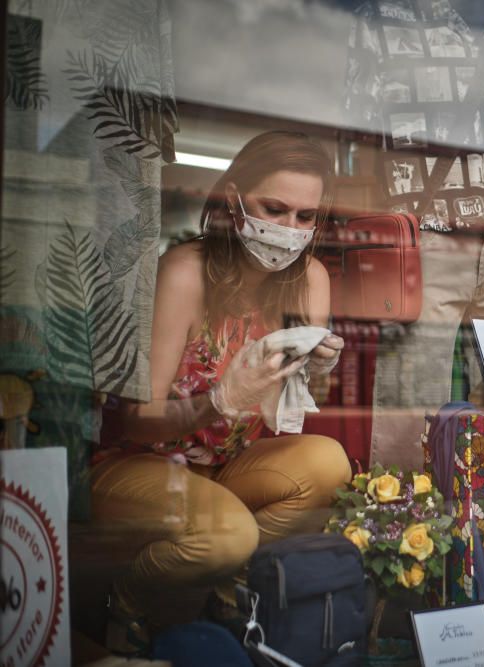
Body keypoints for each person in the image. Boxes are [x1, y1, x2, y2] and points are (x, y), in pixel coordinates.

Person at [92, 131, 352, 655]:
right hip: (138, 462)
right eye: (274, 209)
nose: (289, 230)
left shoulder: (311, 279)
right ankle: (122, 600)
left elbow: (288, 413)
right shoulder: (186, 271)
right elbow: (135, 422)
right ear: (232, 196)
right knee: (229, 535)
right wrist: (218, 400)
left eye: (306, 217)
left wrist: (318, 369)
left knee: (331, 464)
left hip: (225, 463)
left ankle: (226, 591)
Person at [344, 0, 484, 469]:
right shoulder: (385, 20)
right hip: (428, 232)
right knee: (411, 394)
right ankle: (404, 527)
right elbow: (356, 136)